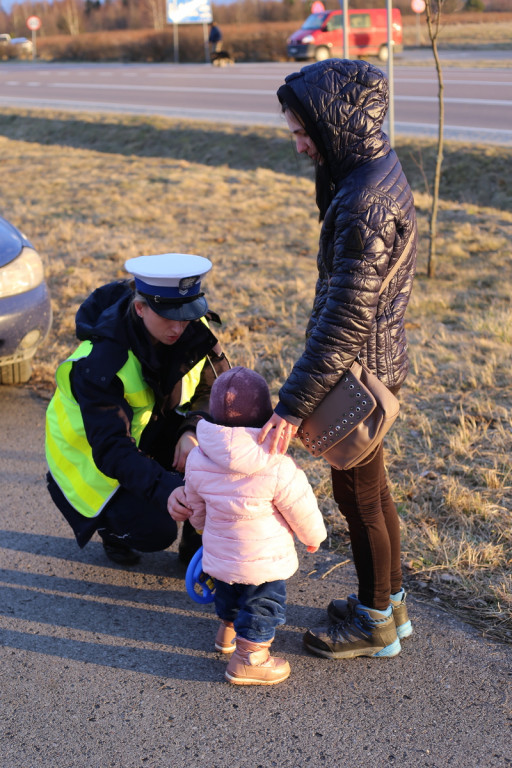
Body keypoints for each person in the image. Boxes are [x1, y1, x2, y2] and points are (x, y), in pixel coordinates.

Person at [258, 59, 418, 660]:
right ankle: (389, 605)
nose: (299, 144)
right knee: (370, 491)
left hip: (358, 373)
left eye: (304, 132)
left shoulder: (366, 203)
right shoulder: (370, 173)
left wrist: (291, 406)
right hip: (369, 363)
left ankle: (376, 621)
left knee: (359, 497)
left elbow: (346, 318)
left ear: (335, 125)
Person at [45, 252, 230, 566]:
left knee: (221, 453)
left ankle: (196, 551)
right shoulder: (101, 362)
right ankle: (112, 531)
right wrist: (167, 488)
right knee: (156, 530)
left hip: (150, 433)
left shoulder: (191, 327)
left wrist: (192, 430)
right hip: (92, 463)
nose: (179, 327)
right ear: (140, 307)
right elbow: (112, 450)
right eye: (169, 316)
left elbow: (220, 390)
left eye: (186, 315)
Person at [170, 366, 327, 685]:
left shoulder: (199, 459)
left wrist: (203, 531)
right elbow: (302, 507)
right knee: (263, 602)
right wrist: (313, 537)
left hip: (221, 555)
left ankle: (228, 632)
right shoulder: (277, 464)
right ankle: (249, 658)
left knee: (228, 591)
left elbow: (196, 507)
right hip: (263, 562)